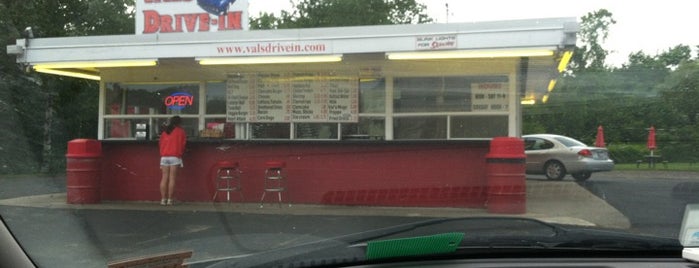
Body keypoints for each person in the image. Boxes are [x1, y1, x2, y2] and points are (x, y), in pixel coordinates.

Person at [159, 115, 186, 205]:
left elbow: (160, 144)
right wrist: (180, 153)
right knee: (172, 178)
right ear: (179, 123)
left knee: (164, 178)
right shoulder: (181, 132)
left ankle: (163, 199)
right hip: (174, 156)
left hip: (164, 157)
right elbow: (183, 144)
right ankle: (170, 199)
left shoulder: (164, 132)